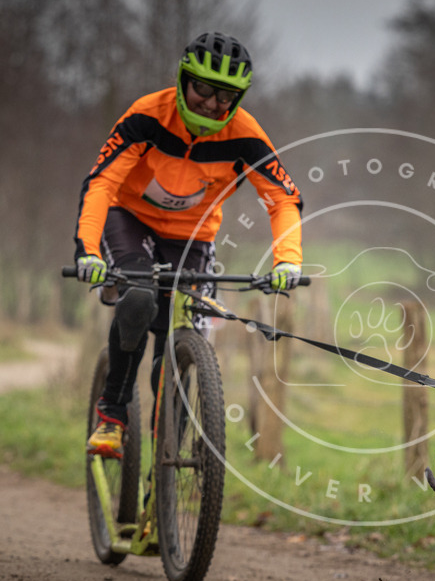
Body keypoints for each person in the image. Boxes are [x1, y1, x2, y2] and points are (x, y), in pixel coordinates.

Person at [74, 31, 303, 458]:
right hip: (130, 218)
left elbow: (282, 198)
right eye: (203, 88)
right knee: (140, 298)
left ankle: (166, 460)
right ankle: (112, 415)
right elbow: (103, 181)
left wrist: (287, 260)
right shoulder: (147, 116)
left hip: (193, 234)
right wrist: (88, 249)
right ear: (183, 80)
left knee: (180, 340)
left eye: (226, 96)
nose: (212, 103)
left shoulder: (245, 134)